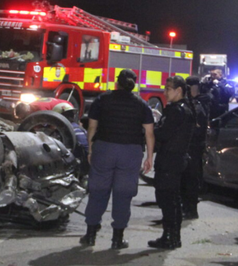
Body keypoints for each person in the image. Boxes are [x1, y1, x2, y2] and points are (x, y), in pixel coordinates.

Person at [80, 69, 155, 249]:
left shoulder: (102, 100)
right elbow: (149, 133)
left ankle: (90, 235)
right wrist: (149, 157)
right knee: (123, 194)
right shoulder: (141, 104)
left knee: (98, 191)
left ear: (117, 82)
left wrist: (91, 149)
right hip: (130, 152)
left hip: (104, 149)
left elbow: (92, 127)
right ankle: (117, 239)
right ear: (133, 85)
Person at [148, 76, 195, 249]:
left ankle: (170, 237)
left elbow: (163, 134)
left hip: (170, 159)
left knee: (167, 199)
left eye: (168, 89)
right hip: (176, 158)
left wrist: (153, 127)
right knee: (172, 199)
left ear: (179, 90)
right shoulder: (185, 109)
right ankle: (172, 236)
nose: (165, 92)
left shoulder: (176, 110)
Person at [180, 76, 209, 219]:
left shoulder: (198, 104)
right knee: (188, 178)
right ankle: (187, 207)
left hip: (193, 146)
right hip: (193, 146)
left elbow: (196, 128)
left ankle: (190, 209)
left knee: (190, 178)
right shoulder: (200, 102)